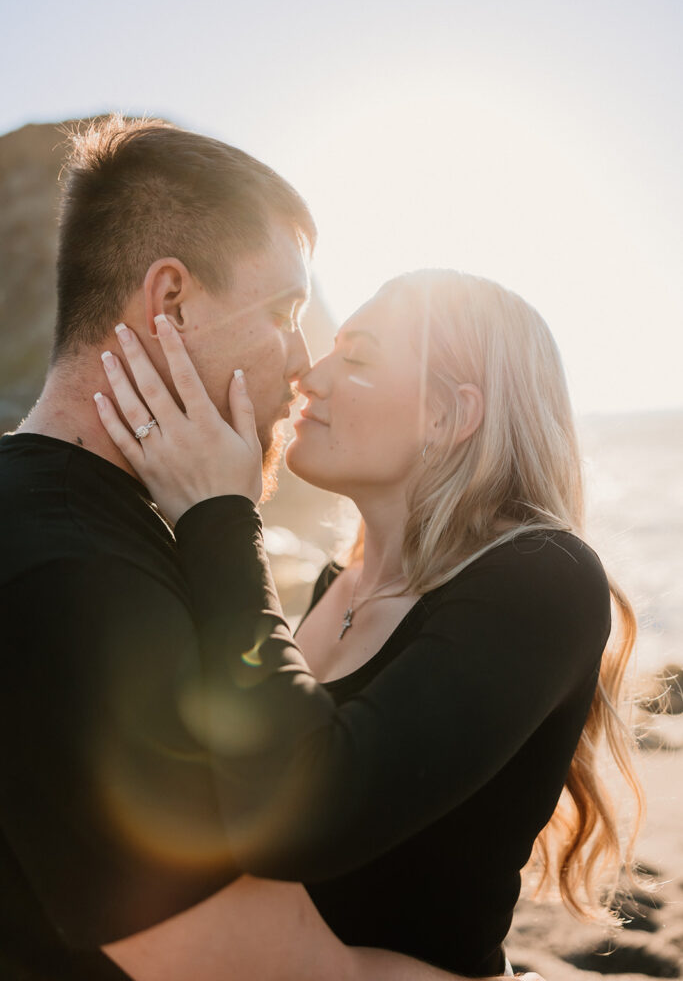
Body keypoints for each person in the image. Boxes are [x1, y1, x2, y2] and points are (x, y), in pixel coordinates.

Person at [0, 117, 485, 981]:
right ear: (170, 302)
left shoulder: (58, 519)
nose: (303, 366)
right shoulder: (82, 584)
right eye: (285, 314)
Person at [94, 270, 643, 978]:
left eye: (354, 358)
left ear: (450, 413)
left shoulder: (542, 579)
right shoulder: (335, 582)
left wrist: (218, 517)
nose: (308, 377)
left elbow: (303, 821)